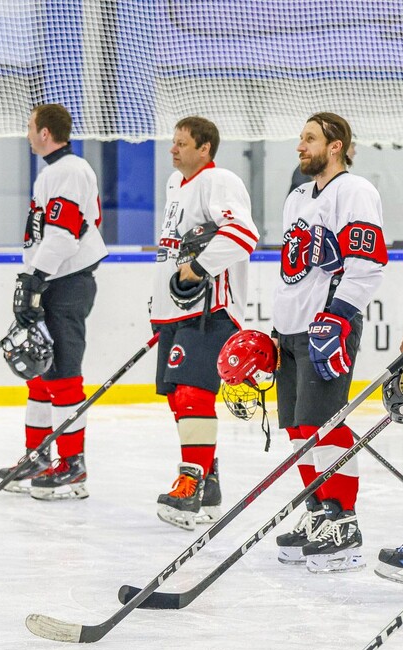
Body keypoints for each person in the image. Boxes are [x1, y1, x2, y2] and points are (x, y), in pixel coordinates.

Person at [269, 113, 387, 573]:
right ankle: (319, 512)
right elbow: (291, 271)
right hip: (293, 328)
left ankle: (345, 521)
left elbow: (369, 261)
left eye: (310, 138)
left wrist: (337, 316)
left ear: (335, 146)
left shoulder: (356, 192)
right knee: (300, 427)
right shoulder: (297, 197)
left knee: (325, 423)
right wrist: (277, 329)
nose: (300, 146)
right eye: (300, 137)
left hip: (329, 324)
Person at [152, 116, 260, 530]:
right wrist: (158, 308)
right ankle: (208, 481)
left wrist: (198, 268)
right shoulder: (174, 185)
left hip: (210, 309)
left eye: (182, 143)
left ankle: (191, 482)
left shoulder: (221, 181)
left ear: (205, 149)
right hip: (176, 311)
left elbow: (243, 233)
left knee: (195, 393)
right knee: (178, 397)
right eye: (173, 142)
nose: (174, 149)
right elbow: (170, 251)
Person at [1, 103, 107, 501]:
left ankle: (72, 466)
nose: (27, 135)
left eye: (30, 128)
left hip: (66, 283)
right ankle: (39, 456)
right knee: (39, 371)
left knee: (63, 375)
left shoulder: (68, 171)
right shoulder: (53, 171)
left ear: (45, 132)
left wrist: (35, 278)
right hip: (54, 282)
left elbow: (64, 236)